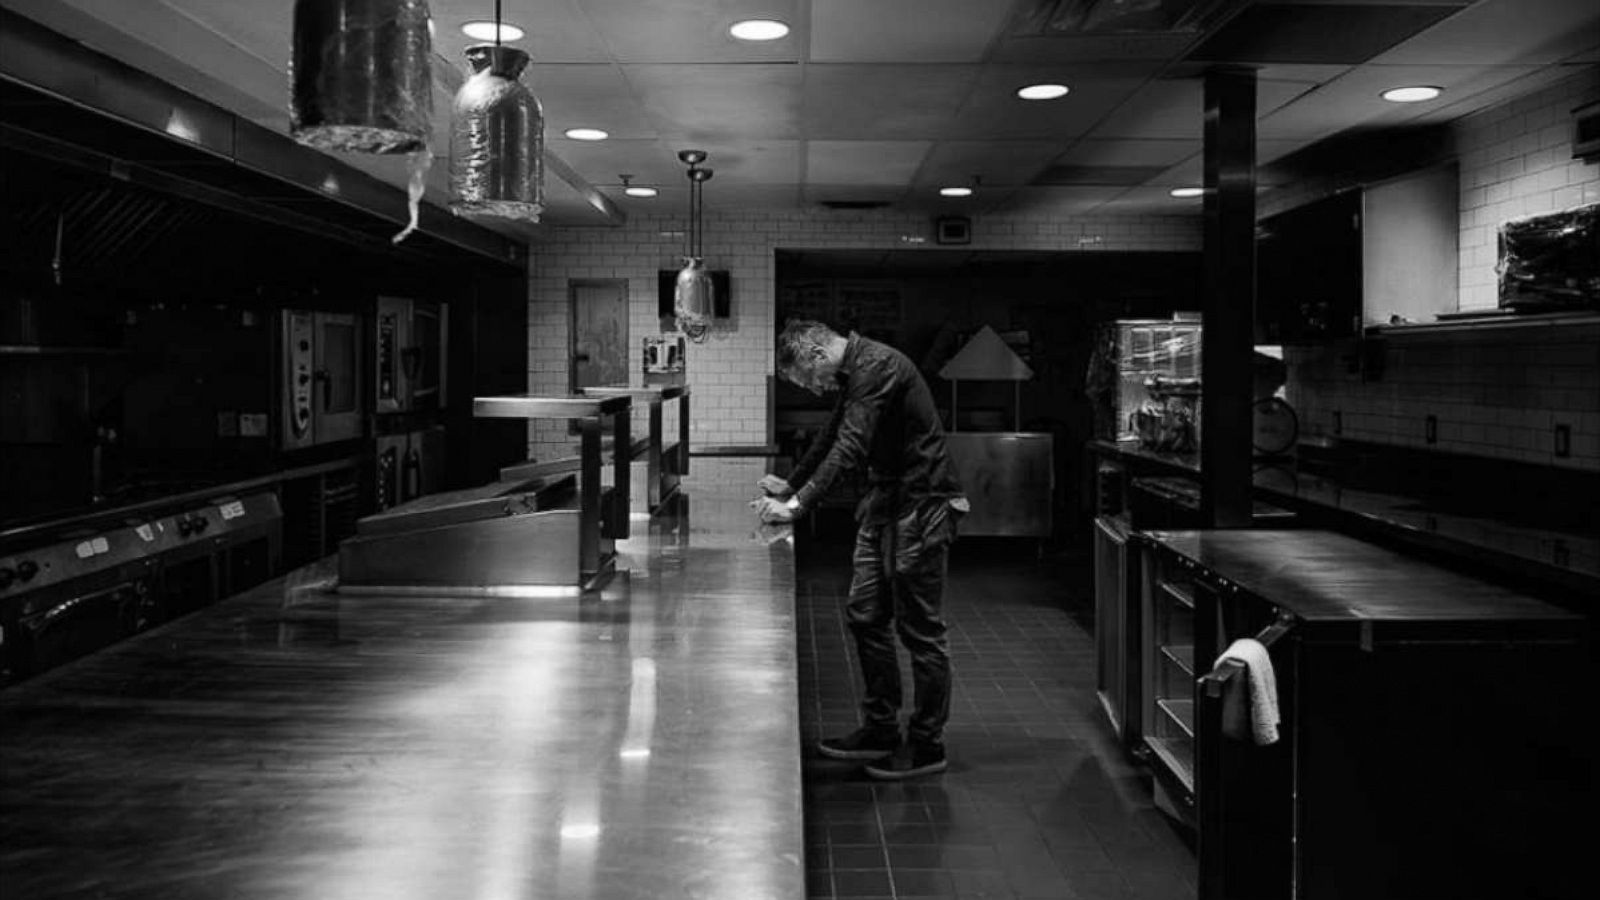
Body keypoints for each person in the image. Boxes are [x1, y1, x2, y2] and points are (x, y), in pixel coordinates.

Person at [753, 320, 968, 780]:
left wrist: (798, 505)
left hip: (922, 505)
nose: (812, 389)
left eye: (806, 379)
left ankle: (928, 744)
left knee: (921, 630)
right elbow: (831, 435)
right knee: (866, 615)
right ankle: (880, 729)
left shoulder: (879, 364)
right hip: (885, 504)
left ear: (813, 354)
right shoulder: (855, 373)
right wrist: (791, 484)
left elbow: (850, 446)